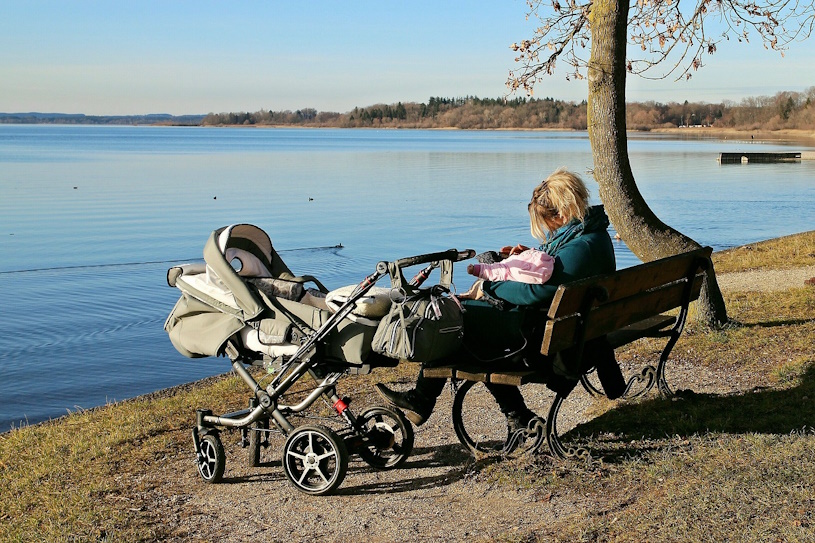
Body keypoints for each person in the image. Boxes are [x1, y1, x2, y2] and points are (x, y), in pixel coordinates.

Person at [375, 167, 617, 433]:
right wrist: (527, 257)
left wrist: (489, 288)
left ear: (562, 213)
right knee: (466, 325)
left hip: (546, 342)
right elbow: (557, 271)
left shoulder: (582, 247)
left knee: (456, 320)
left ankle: (431, 401)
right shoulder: (591, 236)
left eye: (546, 224)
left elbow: (537, 291)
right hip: (569, 330)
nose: (547, 231)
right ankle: (511, 416)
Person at [459, 248, 555, 300]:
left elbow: (498, 271)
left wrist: (475, 270)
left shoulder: (514, 269)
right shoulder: (548, 264)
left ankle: (476, 290)